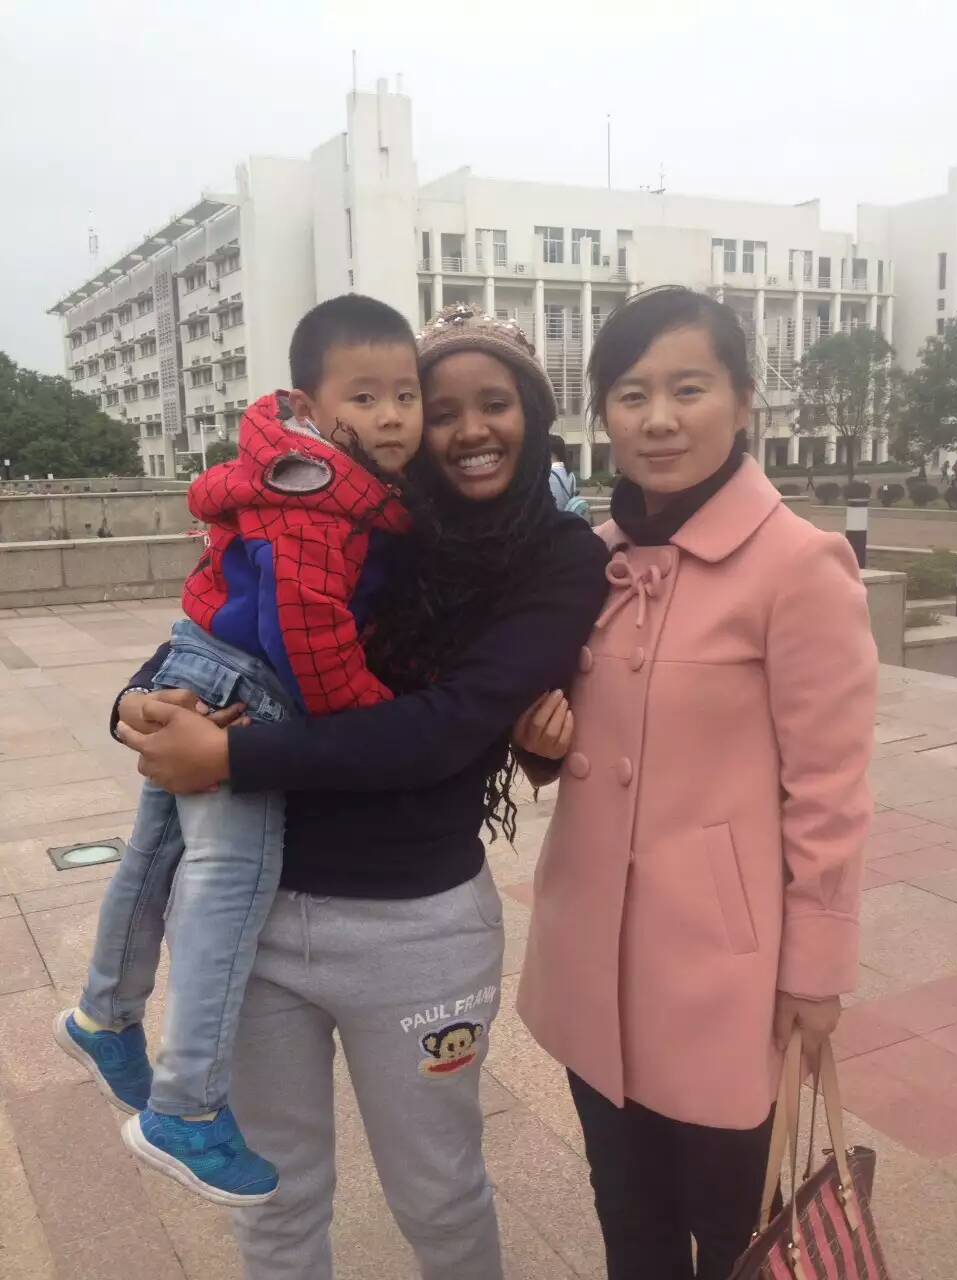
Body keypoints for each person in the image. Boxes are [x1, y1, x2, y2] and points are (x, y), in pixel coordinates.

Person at [109, 302, 609, 1280]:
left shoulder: (557, 556)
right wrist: (138, 704)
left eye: (496, 403)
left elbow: (446, 728)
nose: (467, 430)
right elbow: (223, 624)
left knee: (439, 1193)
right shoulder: (356, 510)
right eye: (442, 408)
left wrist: (232, 760)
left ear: (535, 412)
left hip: (417, 933)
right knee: (274, 1198)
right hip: (258, 916)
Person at [515, 287, 877, 1280]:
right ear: (604, 414)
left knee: (735, 1235)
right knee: (628, 1221)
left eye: (689, 388)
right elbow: (563, 724)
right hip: (592, 961)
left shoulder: (799, 565)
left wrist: (815, 971)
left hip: (720, 978)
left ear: (744, 399)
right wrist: (538, 742)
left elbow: (831, 789)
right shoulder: (592, 562)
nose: (659, 418)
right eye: (632, 394)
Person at [54, 295, 422, 1205]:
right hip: (244, 692)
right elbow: (309, 634)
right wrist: (370, 718)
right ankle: (186, 1106)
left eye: (406, 395)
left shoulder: (293, 472)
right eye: (365, 397)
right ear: (307, 404)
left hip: (199, 660)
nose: (390, 417)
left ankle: (105, 1013)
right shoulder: (321, 500)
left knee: (150, 859)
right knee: (229, 887)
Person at [548, 432, 591, 520]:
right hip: (567, 519)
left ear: (551, 452)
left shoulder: (548, 475)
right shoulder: (570, 474)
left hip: (553, 521)